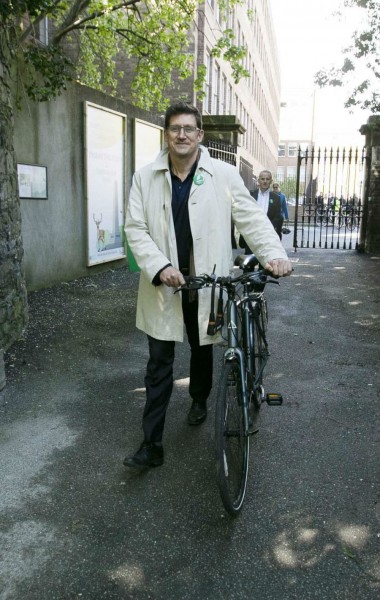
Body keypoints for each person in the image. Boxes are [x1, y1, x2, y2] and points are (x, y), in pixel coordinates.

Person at [124, 102, 292, 470]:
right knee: (158, 364)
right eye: (174, 129)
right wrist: (160, 265)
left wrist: (273, 255)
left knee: (202, 347)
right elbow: (135, 228)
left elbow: (252, 220)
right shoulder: (145, 177)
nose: (181, 135)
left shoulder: (224, 174)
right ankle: (151, 443)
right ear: (166, 134)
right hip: (163, 284)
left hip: (208, 281)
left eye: (189, 129)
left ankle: (199, 399)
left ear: (200, 135)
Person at [239, 169, 283, 252]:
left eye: (267, 179)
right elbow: (245, 214)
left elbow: (277, 217)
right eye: (262, 179)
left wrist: (269, 229)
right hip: (251, 236)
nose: (265, 181)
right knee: (249, 262)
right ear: (259, 180)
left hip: (267, 238)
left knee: (265, 264)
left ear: (271, 181)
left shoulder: (276, 198)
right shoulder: (250, 195)